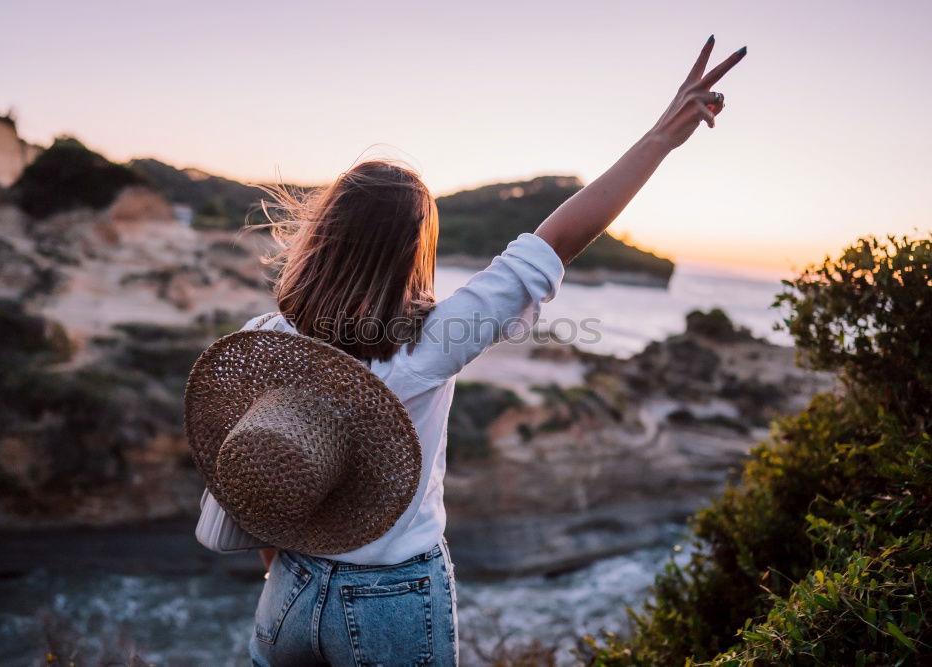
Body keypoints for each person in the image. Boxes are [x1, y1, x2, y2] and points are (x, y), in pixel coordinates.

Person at [196, 36, 746, 666]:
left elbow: (258, 465)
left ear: (324, 234)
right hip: (392, 600)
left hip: (289, 591)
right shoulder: (431, 343)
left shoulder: (268, 338)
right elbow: (556, 241)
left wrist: (288, 560)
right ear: (413, 252)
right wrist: (660, 137)